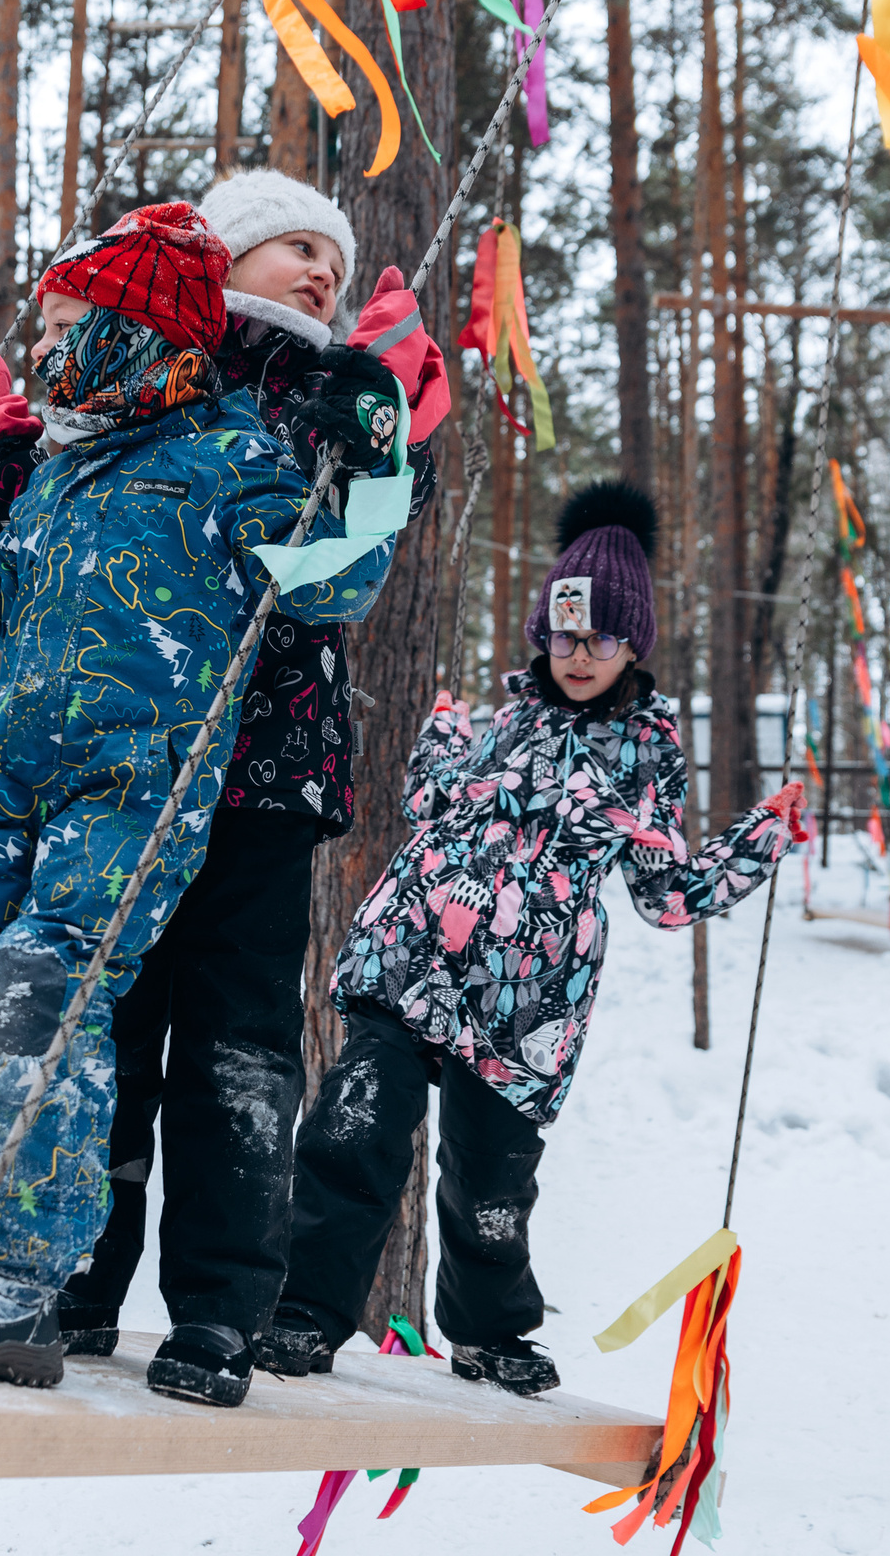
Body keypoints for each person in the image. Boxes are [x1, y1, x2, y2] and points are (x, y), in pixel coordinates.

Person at [0, 203, 404, 1390]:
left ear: (133, 333)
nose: (48, 351)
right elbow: (13, 603)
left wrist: (373, 460)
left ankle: (14, 1276)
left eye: (69, 327)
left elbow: (335, 581)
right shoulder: (64, 473)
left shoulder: (229, 457)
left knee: (42, 993)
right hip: (4, 771)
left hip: (130, 785)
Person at [255, 482, 807, 1398]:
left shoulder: (646, 751)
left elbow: (667, 894)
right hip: (415, 968)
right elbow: (430, 811)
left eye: (597, 638)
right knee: (354, 1133)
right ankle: (305, 1312)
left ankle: (487, 1329)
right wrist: (438, 746)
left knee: (492, 1185)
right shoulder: (505, 720)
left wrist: (761, 839)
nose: (577, 654)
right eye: (562, 635)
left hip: (528, 1008)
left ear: (635, 642)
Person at [59, 171, 445, 1409]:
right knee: (110, 1030)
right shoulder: (159, 371)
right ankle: (72, 1277)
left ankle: (220, 1309)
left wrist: (376, 443)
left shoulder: (333, 392)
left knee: (237, 1046)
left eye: (331, 256)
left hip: (267, 773)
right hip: (131, 766)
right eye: (292, 246)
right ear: (222, 261)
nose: (320, 271)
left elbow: (343, 560)